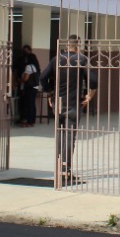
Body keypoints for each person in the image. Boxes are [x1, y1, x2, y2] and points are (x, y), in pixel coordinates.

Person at [40, 35, 97, 183]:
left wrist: (50, 94)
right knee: (70, 136)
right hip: (73, 103)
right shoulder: (82, 60)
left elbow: (42, 78)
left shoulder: (56, 60)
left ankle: (59, 168)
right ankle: (66, 170)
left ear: (66, 46)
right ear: (78, 46)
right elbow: (93, 80)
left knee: (59, 134)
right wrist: (89, 95)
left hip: (58, 102)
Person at [17, 45, 40, 127]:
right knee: (32, 103)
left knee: (29, 103)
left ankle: (29, 120)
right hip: (35, 87)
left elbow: (26, 79)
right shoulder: (35, 67)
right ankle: (31, 120)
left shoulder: (28, 67)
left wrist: (20, 80)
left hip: (29, 87)